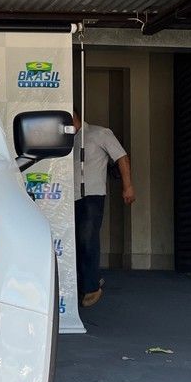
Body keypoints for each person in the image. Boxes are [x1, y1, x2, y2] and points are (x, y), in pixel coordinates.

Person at [73, 112, 135, 308]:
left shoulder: (100, 133)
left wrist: (128, 186)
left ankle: (92, 288)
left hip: (92, 194)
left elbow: (121, 157)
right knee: (75, 240)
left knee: (87, 237)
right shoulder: (66, 139)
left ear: (73, 115)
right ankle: (90, 279)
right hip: (69, 196)